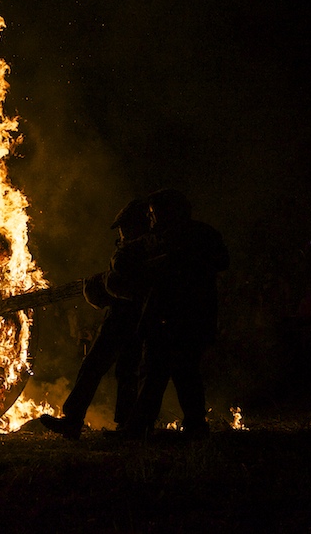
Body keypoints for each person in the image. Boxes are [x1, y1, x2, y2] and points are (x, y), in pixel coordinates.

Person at [118, 188, 229, 441]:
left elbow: (221, 260)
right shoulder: (156, 238)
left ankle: (190, 426)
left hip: (186, 315)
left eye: (154, 213)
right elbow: (122, 260)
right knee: (159, 372)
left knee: (181, 371)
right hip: (165, 314)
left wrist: (180, 261)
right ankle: (144, 427)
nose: (152, 219)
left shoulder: (199, 235)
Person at [40, 198, 152, 440]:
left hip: (136, 317)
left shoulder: (145, 249)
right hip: (119, 316)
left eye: (125, 227)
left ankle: (126, 426)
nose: (122, 233)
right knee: (92, 367)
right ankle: (73, 420)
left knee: (127, 370)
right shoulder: (131, 248)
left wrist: (104, 284)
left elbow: (128, 284)